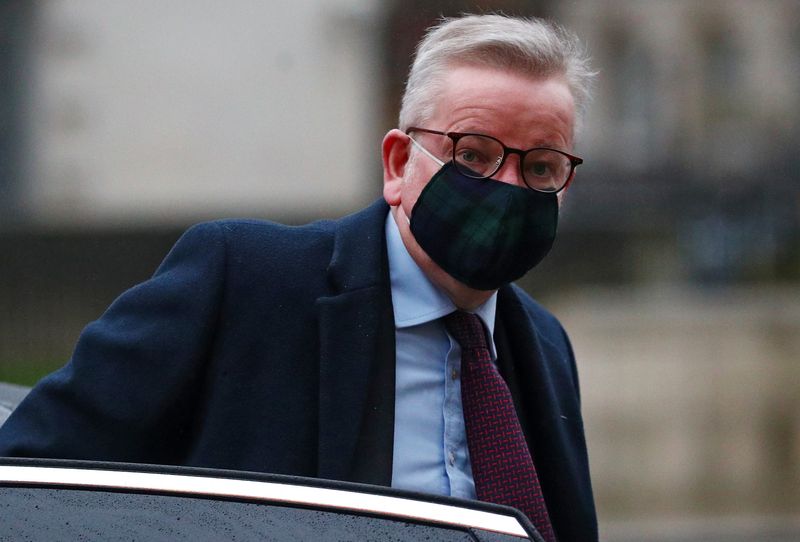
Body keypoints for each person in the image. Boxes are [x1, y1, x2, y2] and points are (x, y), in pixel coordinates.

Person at [0, 14, 597, 541]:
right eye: (473, 153)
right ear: (397, 164)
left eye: (542, 166)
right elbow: (29, 477)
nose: (509, 186)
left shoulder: (544, 344)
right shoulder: (241, 278)